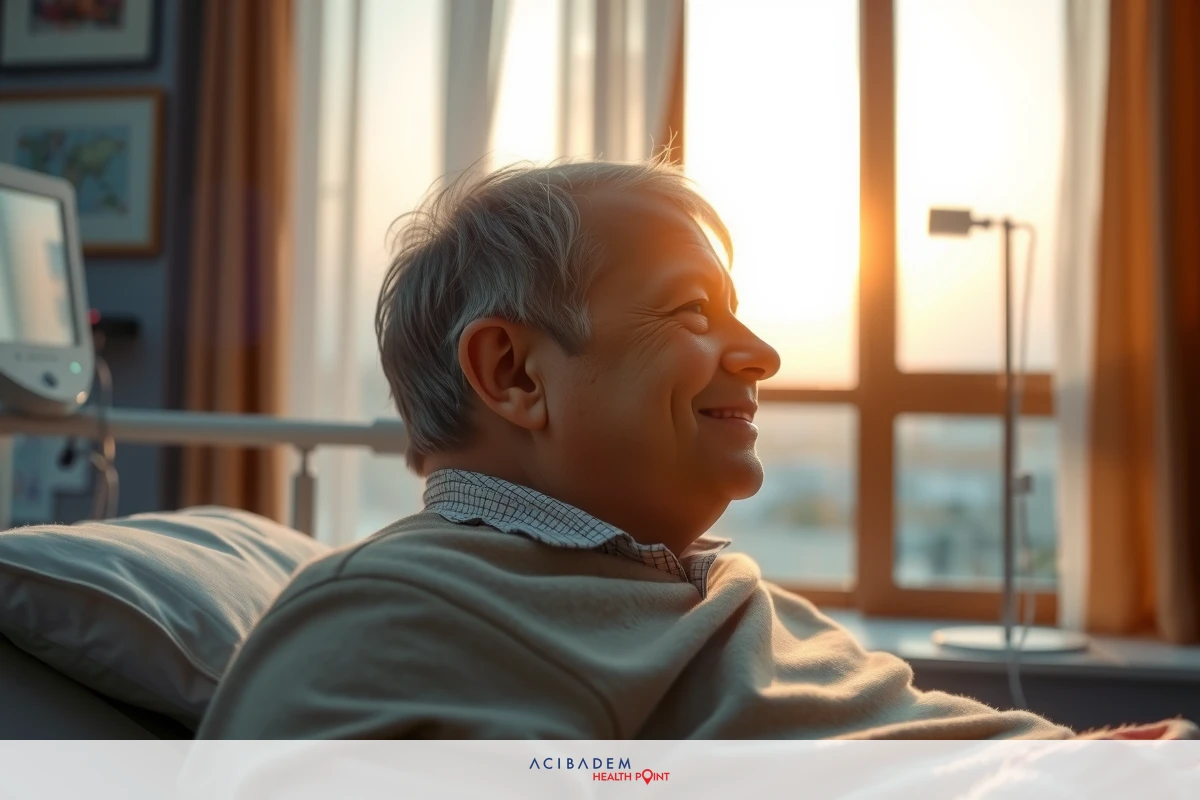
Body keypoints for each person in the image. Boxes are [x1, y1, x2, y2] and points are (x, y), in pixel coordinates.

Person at [197, 159, 1192, 740]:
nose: (760, 355)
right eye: (691, 312)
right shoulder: (376, 633)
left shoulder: (719, 592)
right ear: (514, 373)